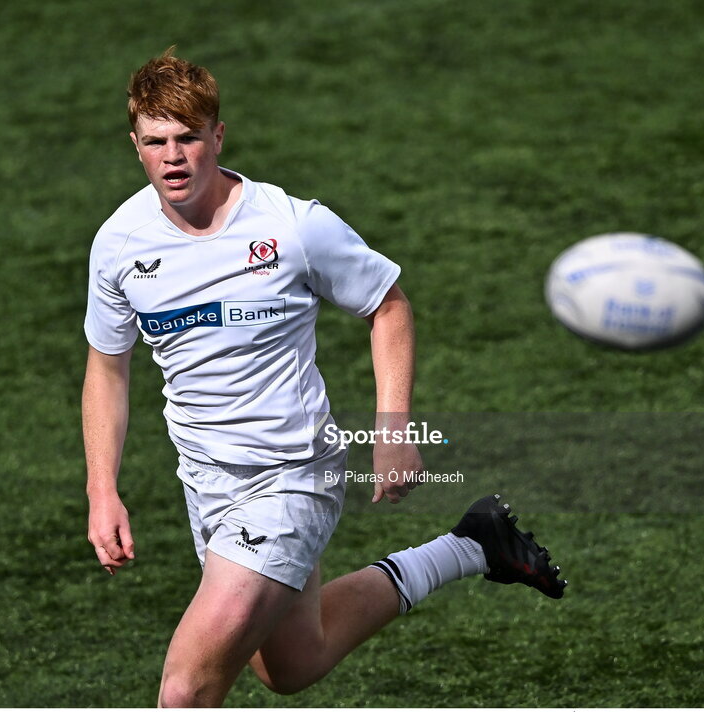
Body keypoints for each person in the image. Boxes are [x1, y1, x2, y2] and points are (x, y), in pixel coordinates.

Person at [82, 47, 566, 708]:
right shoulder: (119, 244)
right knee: (291, 663)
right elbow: (107, 368)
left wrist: (392, 428)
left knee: (186, 688)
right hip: (207, 481)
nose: (173, 156)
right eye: (155, 141)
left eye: (188, 138)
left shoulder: (290, 226)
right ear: (134, 145)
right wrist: (101, 490)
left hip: (292, 477)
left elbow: (388, 302)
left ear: (217, 137)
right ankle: (473, 545)